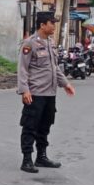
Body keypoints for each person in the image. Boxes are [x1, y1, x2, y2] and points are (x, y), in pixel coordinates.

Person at [17, 10, 75, 174]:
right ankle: (26, 159)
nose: (54, 26)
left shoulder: (50, 43)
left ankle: (41, 156)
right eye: (52, 23)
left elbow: (54, 67)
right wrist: (24, 90)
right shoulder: (30, 44)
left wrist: (65, 84)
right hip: (35, 93)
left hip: (50, 93)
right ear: (42, 25)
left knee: (45, 126)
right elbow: (22, 69)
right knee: (30, 126)